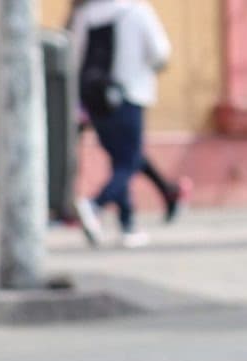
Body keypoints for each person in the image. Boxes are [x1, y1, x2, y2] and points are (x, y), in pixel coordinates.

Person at [68, 0, 177, 248]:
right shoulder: (138, 11)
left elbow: (75, 57)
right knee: (129, 160)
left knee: (120, 160)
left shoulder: (86, 13)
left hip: (95, 98)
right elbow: (160, 52)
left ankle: (128, 224)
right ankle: (94, 205)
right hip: (130, 95)